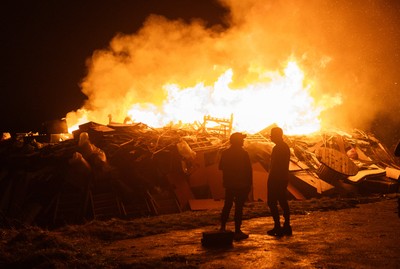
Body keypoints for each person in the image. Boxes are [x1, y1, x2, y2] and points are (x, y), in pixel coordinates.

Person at [219, 132, 253, 241]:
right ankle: (237, 231)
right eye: (242, 139)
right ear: (238, 141)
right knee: (238, 208)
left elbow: (221, 167)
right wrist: (249, 184)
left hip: (230, 184)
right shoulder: (244, 154)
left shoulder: (225, 153)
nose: (243, 141)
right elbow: (248, 171)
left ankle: (223, 227)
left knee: (227, 205)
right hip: (241, 185)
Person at [266, 127, 292, 236]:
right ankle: (286, 226)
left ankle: (278, 226)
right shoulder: (285, 147)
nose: (270, 137)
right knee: (282, 201)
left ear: (276, 135)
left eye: (272, 134)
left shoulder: (278, 148)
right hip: (283, 178)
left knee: (272, 202)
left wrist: (270, 178)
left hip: (276, 178)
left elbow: (275, 165)